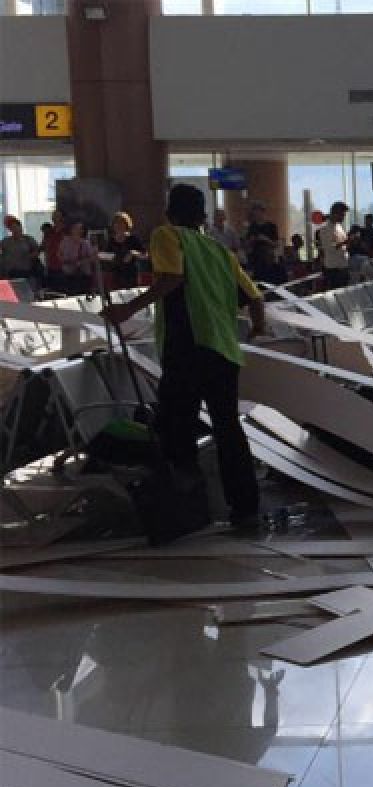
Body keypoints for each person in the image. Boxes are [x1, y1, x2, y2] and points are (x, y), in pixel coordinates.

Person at [100, 184, 266, 532]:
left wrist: (126, 310)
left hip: (188, 347)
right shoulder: (220, 251)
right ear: (202, 217)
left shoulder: (166, 236)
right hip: (224, 352)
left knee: (175, 429)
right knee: (227, 429)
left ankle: (185, 508)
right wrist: (255, 329)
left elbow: (172, 278)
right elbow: (256, 300)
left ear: (169, 212)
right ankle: (246, 511)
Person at [243, 202, 283, 286]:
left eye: (258, 212)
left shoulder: (271, 226)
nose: (256, 215)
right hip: (256, 259)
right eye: (254, 213)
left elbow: (277, 244)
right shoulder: (252, 227)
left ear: (263, 212)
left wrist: (266, 239)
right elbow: (246, 245)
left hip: (268, 258)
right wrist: (251, 240)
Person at [105, 212, 146, 289]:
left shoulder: (133, 239)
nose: (119, 225)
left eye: (121, 223)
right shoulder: (111, 240)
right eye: (116, 223)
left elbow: (145, 255)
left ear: (126, 224)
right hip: (116, 276)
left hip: (131, 275)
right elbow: (108, 256)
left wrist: (133, 253)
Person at [58, 220, 98, 295]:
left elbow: (93, 257)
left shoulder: (86, 243)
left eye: (81, 228)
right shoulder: (65, 241)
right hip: (68, 274)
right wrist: (65, 260)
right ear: (71, 229)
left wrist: (82, 262)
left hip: (83, 275)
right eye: (76, 228)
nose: (79, 230)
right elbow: (59, 254)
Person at [1, 216, 41, 287]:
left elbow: (37, 251)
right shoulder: (6, 241)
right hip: (9, 273)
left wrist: (30, 256)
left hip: (25, 272)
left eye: (15, 227)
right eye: (12, 227)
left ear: (20, 227)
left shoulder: (28, 239)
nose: (14, 229)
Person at [319, 202, 350, 289]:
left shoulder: (339, 226)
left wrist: (350, 242)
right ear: (335, 213)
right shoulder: (325, 228)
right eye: (342, 215)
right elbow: (329, 248)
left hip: (343, 265)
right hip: (333, 268)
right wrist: (345, 242)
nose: (343, 217)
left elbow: (344, 244)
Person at [41, 209, 66, 294]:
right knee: (52, 291)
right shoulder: (49, 232)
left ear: (62, 218)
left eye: (57, 216)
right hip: (51, 265)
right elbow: (45, 247)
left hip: (64, 266)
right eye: (53, 216)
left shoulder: (67, 231)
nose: (55, 218)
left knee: (63, 290)